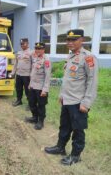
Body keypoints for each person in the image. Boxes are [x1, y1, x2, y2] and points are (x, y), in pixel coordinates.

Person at [44, 29, 98, 165]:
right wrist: (62, 95)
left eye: (74, 40)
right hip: (67, 100)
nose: (70, 42)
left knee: (78, 130)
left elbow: (92, 82)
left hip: (78, 102)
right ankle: (60, 147)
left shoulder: (89, 57)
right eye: (68, 40)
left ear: (82, 40)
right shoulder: (71, 56)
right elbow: (68, 79)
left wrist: (86, 103)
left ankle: (75, 156)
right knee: (64, 127)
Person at [25, 42, 51, 130]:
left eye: (40, 49)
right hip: (33, 86)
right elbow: (33, 72)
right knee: (31, 103)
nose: (37, 50)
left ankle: (40, 121)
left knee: (41, 105)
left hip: (40, 87)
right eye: (36, 48)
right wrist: (30, 84)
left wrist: (45, 90)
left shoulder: (46, 59)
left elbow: (48, 76)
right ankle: (34, 117)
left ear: (44, 49)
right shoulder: (35, 58)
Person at [11, 38, 32, 109]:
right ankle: (19, 100)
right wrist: (13, 72)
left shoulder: (31, 53)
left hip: (27, 75)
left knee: (28, 90)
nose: (22, 45)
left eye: (23, 43)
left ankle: (30, 103)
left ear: (27, 43)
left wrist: (32, 75)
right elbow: (15, 63)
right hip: (19, 74)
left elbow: (33, 65)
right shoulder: (19, 53)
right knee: (18, 88)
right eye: (21, 44)